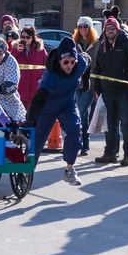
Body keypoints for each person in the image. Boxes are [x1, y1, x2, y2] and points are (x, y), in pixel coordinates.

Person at [27, 38, 89, 186]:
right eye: (65, 62)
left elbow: (88, 59)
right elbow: (38, 100)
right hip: (47, 107)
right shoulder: (50, 77)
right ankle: (27, 171)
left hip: (67, 104)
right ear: (59, 61)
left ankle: (69, 169)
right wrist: (31, 120)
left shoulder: (80, 63)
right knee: (38, 140)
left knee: (75, 130)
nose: (69, 65)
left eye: (72, 62)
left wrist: (86, 81)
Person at [92, 17, 128, 166]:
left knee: (127, 123)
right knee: (110, 124)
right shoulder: (103, 46)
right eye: (108, 29)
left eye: (113, 29)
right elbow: (97, 68)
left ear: (118, 30)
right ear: (104, 31)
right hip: (107, 92)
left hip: (125, 92)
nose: (110, 31)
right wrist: (97, 88)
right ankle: (110, 153)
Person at [73, 16, 100, 156]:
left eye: (86, 26)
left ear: (90, 28)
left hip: (90, 85)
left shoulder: (97, 44)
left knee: (80, 111)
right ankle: (84, 144)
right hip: (76, 84)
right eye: (80, 26)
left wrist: (97, 87)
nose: (83, 29)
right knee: (83, 115)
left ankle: (79, 143)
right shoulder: (74, 43)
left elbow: (99, 65)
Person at [11, 26, 48, 109]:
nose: (25, 39)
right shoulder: (16, 48)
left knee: (33, 111)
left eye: (28, 37)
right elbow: (10, 62)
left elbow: (47, 64)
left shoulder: (40, 49)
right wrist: (17, 50)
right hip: (21, 85)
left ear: (33, 38)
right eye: (23, 37)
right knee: (20, 111)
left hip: (35, 85)